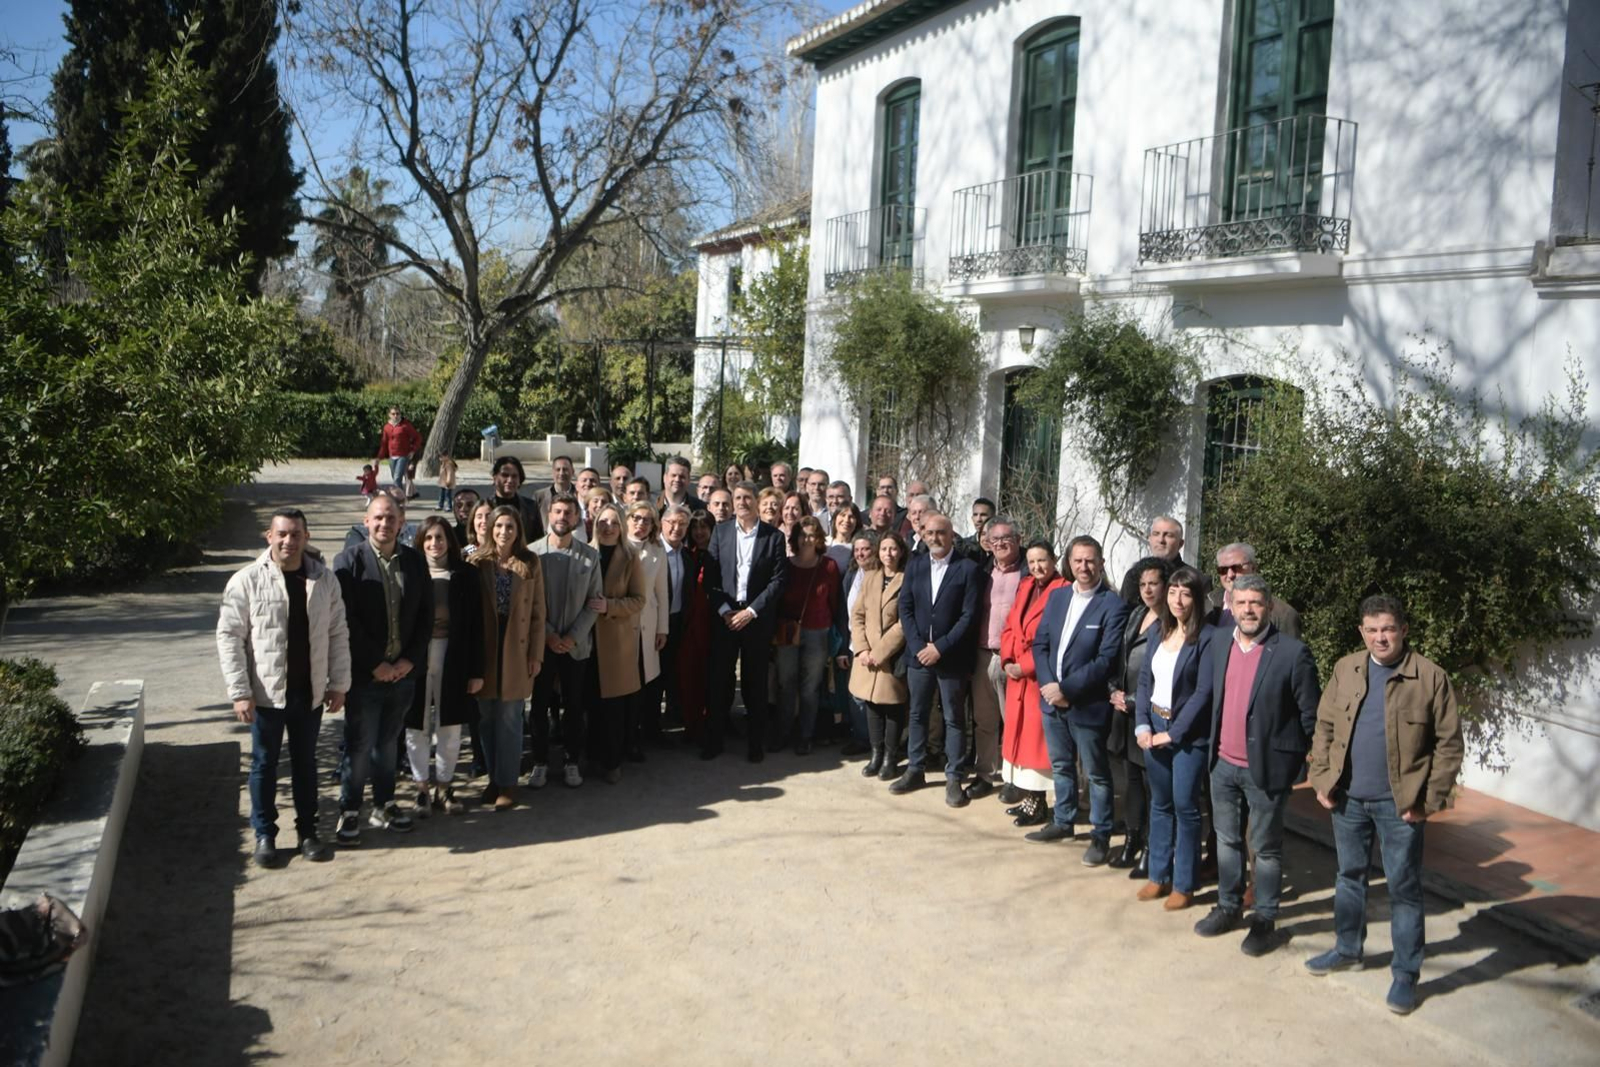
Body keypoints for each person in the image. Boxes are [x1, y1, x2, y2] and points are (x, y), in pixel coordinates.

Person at [1305, 594, 1463, 1015]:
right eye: (1372, 630)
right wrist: (1321, 779)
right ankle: (1347, 949)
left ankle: (1405, 975)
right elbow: (1323, 726)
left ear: (1404, 630)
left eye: (1388, 629)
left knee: (1404, 890)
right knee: (1349, 878)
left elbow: (1449, 747)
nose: (1381, 638)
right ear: (1362, 632)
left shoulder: (1430, 678)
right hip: (1348, 801)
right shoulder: (1346, 669)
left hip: (1401, 807)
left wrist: (1427, 802)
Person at [1193, 574, 1321, 956]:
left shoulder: (1292, 653)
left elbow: (1310, 714)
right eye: (1241, 603)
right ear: (1230, 606)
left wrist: (1304, 762)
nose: (1248, 610)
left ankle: (1264, 919)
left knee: (1264, 849)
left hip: (1266, 768)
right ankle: (1228, 906)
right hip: (1222, 764)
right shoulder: (1217, 642)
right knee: (1227, 841)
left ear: (1268, 607)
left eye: (1256, 603)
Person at [217, 508, 350, 867]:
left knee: (306, 765)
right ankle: (265, 836)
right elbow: (230, 637)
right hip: (264, 695)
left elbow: (338, 633)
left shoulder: (324, 580)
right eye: (282, 534)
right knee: (264, 764)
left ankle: (308, 832)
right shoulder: (246, 581)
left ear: (306, 538)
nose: (288, 541)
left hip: (308, 694)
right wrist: (240, 691)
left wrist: (338, 684)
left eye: (296, 535)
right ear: (269, 536)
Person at [334, 493, 433, 844]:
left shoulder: (415, 562)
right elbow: (346, 620)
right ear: (366, 522)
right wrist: (375, 664)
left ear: (401, 523)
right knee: (359, 744)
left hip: (403, 675)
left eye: (391, 518)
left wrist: (410, 660)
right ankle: (349, 810)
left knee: (389, 743)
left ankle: (385, 804)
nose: (384, 523)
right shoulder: (348, 562)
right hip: (365, 676)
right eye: (378, 517)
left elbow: (426, 616)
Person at [1029, 535, 1130, 864]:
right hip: (1051, 699)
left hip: (1086, 704)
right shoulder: (1057, 598)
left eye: (1090, 560)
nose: (1083, 567)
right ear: (1069, 564)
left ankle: (1101, 834)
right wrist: (1048, 685)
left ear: (1100, 563)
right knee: (1061, 765)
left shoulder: (1112, 605)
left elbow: (1105, 660)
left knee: (1097, 773)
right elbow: (1040, 644)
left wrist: (1066, 690)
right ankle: (1063, 820)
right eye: (1077, 561)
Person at [1134, 566, 1217, 910]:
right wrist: (1142, 724)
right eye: (1173, 592)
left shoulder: (1207, 638)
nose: (1177, 600)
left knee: (1185, 807)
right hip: (1153, 727)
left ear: (1196, 598)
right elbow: (1143, 682)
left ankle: (1184, 883)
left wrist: (1174, 733)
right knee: (1160, 804)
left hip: (1186, 735)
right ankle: (1158, 875)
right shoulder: (1158, 631)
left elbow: (1204, 692)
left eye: (1185, 593)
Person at [891, 512, 982, 807]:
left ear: (952, 533)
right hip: (919, 656)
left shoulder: (967, 568)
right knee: (917, 713)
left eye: (940, 532)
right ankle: (915, 769)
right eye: (929, 533)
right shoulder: (915, 565)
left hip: (950, 656)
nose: (934, 538)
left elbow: (969, 616)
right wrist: (919, 645)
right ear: (923, 535)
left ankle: (954, 775)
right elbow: (904, 607)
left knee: (953, 717)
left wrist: (940, 647)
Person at [703, 481, 788, 761]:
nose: (742, 502)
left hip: (756, 618)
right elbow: (712, 577)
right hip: (726, 618)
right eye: (737, 497)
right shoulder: (721, 531)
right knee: (719, 681)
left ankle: (755, 744)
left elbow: (778, 581)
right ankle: (713, 740)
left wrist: (751, 612)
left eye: (747, 498)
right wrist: (725, 610)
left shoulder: (773, 536)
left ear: (756, 501)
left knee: (755, 683)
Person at [404, 517, 485, 817]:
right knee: (417, 725)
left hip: (454, 658)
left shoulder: (466, 574)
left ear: (450, 541)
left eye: (440, 537)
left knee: (450, 727)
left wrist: (477, 671)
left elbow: (477, 625)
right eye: (428, 538)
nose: (434, 544)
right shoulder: (410, 572)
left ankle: (445, 786)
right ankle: (421, 787)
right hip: (416, 659)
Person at [469, 505, 547, 810]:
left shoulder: (530, 562)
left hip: (516, 646)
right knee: (486, 717)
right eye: (499, 526)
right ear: (490, 528)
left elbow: (540, 612)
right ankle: (494, 778)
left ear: (518, 531)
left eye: (510, 527)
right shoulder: (477, 561)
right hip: (485, 649)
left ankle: (509, 783)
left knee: (511, 718)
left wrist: (535, 655)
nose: (504, 532)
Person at [529, 493, 602, 789]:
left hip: (576, 645)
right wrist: (548, 634)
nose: (562, 517)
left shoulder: (589, 555)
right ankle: (540, 762)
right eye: (557, 511)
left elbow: (594, 603)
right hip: (541, 644)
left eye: (568, 512)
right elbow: (529, 603)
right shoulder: (532, 553)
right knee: (539, 706)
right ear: (549, 514)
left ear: (576, 518)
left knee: (574, 706)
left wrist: (572, 636)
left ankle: (572, 761)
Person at [1108, 556, 1174, 877]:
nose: (1148, 590)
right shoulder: (1136, 613)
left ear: (1167, 586)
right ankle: (1131, 841)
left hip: (1150, 714)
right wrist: (1114, 691)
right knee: (1132, 780)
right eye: (1143, 584)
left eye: (1154, 584)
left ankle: (1151, 848)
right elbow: (1122, 658)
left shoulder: (1173, 622)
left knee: (1152, 786)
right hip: (1124, 711)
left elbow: (1169, 675)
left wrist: (1135, 701)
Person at [999, 540, 1065, 827]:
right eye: (1033, 561)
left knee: (1037, 746)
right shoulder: (1026, 585)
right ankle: (1028, 798)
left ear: (1053, 560)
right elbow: (1010, 625)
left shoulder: (1062, 590)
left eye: (1043, 560)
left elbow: (1054, 638)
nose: (1038, 567)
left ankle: (1038, 803)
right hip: (1017, 677)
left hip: (1039, 676)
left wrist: (1024, 665)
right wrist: (1007, 660)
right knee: (1019, 743)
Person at [772, 516, 843, 755]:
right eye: (802, 534)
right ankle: (782, 733)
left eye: (812, 534)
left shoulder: (829, 566)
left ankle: (805, 736)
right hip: (787, 632)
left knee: (810, 687)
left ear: (820, 538)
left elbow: (835, 603)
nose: (807, 539)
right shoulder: (786, 564)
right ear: (794, 538)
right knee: (786, 684)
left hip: (817, 632)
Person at [588, 502, 647, 783]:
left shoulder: (630, 555)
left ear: (621, 527)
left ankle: (612, 762)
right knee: (589, 704)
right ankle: (589, 758)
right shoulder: (584, 553)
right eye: (602, 521)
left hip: (615, 642)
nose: (607, 527)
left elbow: (639, 600)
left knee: (613, 707)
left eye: (613, 522)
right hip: (585, 641)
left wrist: (609, 606)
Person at [967, 515, 1022, 800]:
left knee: (1012, 721)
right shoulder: (981, 571)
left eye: (1006, 538)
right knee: (984, 720)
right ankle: (985, 773)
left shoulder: (1027, 574)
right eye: (995, 539)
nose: (1000, 543)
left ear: (1018, 541)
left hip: (1011, 659)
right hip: (981, 653)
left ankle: (1015, 778)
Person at [850, 530, 908, 779]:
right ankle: (876, 753)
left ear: (901, 551)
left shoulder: (908, 579)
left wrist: (881, 651)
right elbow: (858, 614)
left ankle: (890, 757)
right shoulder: (870, 577)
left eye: (893, 549)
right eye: (884, 549)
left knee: (892, 707)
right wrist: (862, 648)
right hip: (867, 656)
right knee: (872, 705)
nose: (888, 554)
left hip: (891, 656)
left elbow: (904, 622)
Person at [624, 502, 671, 758]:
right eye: (637, 518)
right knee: (622, 683)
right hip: (620, 625)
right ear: (627, 519)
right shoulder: (617, 545)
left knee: (642, 684)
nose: (640, 524)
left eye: (647, 520)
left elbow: (661, 592)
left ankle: (636, 738)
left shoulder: (657, 550)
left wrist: (662, 628)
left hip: (647, 626)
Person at [673, 509, 716, 744]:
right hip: (689, 624)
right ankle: (691, 725)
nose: (699, 532)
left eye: (704, 527)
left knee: (712, 677)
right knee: (689, 676)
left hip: (713, 624)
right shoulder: (686, 555)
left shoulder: (721, 555)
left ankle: (712, 724)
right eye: (695, 527)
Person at [1209, 542, 1300, 638]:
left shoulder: (1283, 615)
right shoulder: (1206, 605)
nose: (1230, 575)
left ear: (1253, 568)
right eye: (1223, 570)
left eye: (1236, 568)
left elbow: (1289, 651)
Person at [1117, 516, 1187, 601]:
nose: (1161, 540)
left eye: (1168, 535)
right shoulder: (1134, 575)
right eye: (1156, 534)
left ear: (1180, 543)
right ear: (1149, 539)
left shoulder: (1193, 578)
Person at [487, 456, 546, 543]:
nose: (510, 480)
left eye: (514, 476)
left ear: (520, 480)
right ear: (495, 478)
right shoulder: (485, 506)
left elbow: (538, 539)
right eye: (505, 475)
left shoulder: (531, 507)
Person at [376, 406, 421, 491]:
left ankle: (399, 499)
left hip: (403, 455)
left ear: (400, 414)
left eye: (397, 414)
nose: (396, 416)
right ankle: (402, 497)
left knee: (397, 478)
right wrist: (379, 457)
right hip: (392, 456)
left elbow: (417, 437)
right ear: (389, 415)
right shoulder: (387, 427)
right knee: (395, 477)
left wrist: (413, 450)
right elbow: (384, 443)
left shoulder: (405, 425)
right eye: (393, 414)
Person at [533, 455, 578, 526]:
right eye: (558, 469)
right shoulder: (540, 496)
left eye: (565, 469)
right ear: (553, 472)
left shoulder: (579, 495)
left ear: (572, 471)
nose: (561, 473)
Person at [826, 504, 862, 570]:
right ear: (835, 518)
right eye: (843, 515)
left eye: (851, 517)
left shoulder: (859, 549)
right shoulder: (825, 543)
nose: (846, 520)